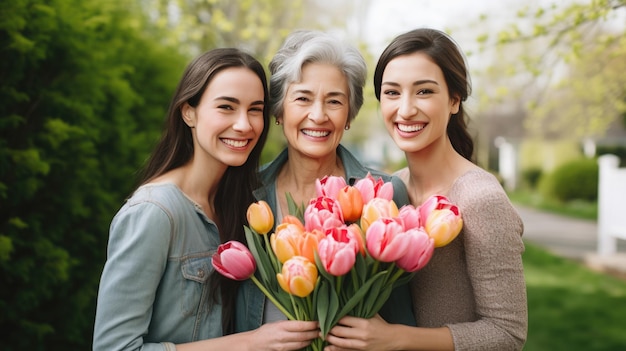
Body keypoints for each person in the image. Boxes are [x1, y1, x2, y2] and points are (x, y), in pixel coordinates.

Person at [93, 48, 319, 351]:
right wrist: (251, 342)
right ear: (189, 112)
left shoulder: (240, 204)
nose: (244, 124)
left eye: (255, 109)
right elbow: (113, 348)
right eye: (226, 107)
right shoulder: (154, 212)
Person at [324, 28, 528, 351]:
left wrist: (397, 339)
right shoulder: (390, 189)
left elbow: (507, 334)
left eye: (423, 92)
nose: (405, 110)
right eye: (392, 93)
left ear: (454, 100)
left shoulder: (480, 200)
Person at [235, 30, 416, 332]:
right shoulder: (244, 195)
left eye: (334, 101)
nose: (318, 115)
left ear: (349, 115)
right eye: (303, 98)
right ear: (279, 110)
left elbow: (400, 323)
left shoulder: (382, 198)